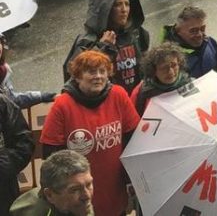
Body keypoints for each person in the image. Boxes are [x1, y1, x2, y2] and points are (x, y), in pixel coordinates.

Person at [41, 51, 140, 216]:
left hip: (115, 186)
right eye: (91, 72)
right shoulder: (62, 105)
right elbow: (51, 155)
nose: (98, 76)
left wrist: (132, 179)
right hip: (78, 194)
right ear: (78, 76)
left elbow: (134, 138)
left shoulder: (118, 95)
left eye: (103, 71)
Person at [64, 0, 150, 94]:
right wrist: (102, 47)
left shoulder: (136, 33)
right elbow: (75, 74)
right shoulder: (88, 40)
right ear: (106, 9)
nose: (124, 10)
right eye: (117, 5)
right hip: (108, 101)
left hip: (135, 97)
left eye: (127, 4)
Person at [10, 150, 94, 216]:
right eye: (75, 190)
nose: (87, 196)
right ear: (49, 195)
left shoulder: (78, 205)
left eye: (89, 184)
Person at [129, 42, 194, 115]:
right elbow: (132, 120)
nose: (170, 72)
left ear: (179, 63)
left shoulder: (192, 85)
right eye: (164, 68)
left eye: (174, 65)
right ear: (153, 70)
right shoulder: (140, 92)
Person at [159, 5, 217, 78]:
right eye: (193, 31)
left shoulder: (210, 42)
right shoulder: (168, 60)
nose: (200, 35)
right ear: (178, 31)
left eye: (202, 28)